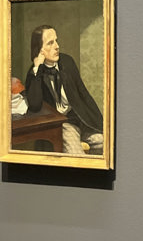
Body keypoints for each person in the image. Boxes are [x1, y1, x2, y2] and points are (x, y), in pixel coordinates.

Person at [24, 25, 104, 154]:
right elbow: (34, 105)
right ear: (39, 49)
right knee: (76, 153)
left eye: (56, 41)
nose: (57, 46)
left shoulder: (67, 62)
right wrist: (37, 68)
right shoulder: (34, 74)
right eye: (50, 43)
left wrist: (102, 124)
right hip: (61, 124)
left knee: (104, 141)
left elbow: (83, 93)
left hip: (79, 119)